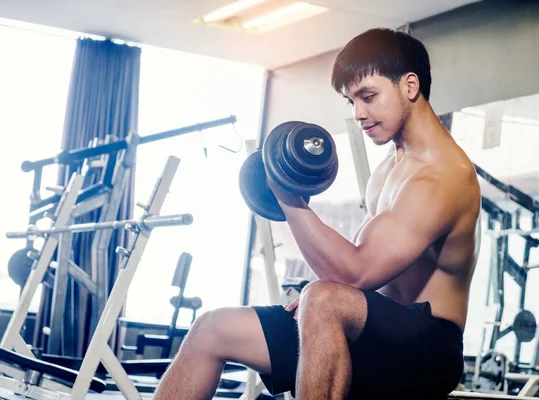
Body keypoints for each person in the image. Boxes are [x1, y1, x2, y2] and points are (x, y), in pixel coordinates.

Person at [153, 27, 481, 400]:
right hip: (370, 328)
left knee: (322, 298)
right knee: (212, 328)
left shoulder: (442, 176)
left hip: (429, 349)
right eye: (351, 101)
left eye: (368, 97)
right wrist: (313, 303)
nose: (359, 113)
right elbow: (354, 271)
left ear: (409, 86)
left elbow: (355, 271)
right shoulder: (388, 170)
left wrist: (287, 196)